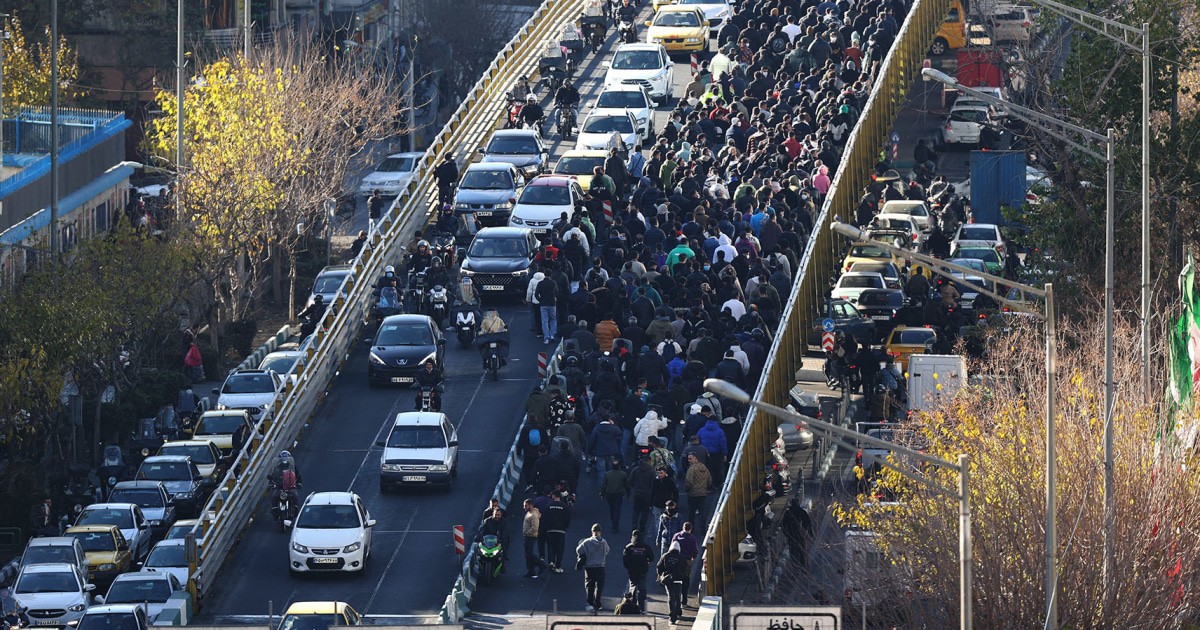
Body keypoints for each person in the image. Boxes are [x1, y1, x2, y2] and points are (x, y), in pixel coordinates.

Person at [576, 524, 611, 612]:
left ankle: (590, 603)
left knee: (589, 586)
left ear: (592, 532)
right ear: (600, 532)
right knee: (599, 586)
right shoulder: (604, 542)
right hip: (600, 567)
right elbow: (607, 551)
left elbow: (578, 550)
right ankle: (597, 602)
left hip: (589, 567)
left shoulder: (587, 542)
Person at [622, 529, 654, 610]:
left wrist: (628, 567)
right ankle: (642, 608)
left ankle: (633, 606)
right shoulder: (646, 547)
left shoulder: (629, 547)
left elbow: (625, 559)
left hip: (632, 571)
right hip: (643, 571)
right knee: (642, 590)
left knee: (633, 587)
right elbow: (652, 557)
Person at [780, 496, 813, 571]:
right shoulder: (802, 511)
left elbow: (783, 525)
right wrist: (809, 533)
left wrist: (786, 534)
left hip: (791, 536)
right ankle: (804, 568)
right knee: (802, 552)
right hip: (801, 536)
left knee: (793, 553)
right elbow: (808, 523)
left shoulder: (788, 513)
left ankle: (795, 568)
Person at [658, 541, 688, 622]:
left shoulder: (665, 556)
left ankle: (672, 616)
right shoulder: (681, 557)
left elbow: (659, 566)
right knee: (678, 595)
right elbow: (685, 568)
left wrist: (661, 575)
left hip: (668, 580)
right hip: (678, 579)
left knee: (671, 597)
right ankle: (678, 611)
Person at [670, 522, 698, 607]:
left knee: (675, 579)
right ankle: (684, 601)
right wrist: (693, 557)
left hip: (676, 560)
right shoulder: (692, 538)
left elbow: (672, 547)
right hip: (686, 561)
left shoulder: (676, 536)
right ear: (690, 529)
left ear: (683, 527)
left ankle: (675, 600)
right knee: (686, 580)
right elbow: (695, 550)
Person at [543, 491, 572, 572]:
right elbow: (568, 518)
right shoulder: (564, 506)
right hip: (561, 530)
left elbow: (545, 517)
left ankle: (551, 562)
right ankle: (558, 566)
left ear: (554, 496)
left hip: (550, 530)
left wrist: (547, 527)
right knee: (560, 549)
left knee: (551, 547)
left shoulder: (549, 505)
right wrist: (564, 527)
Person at [600, 456, 629, 531]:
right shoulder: (623, 474)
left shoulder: (607, 474)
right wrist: (628, 493)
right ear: (619, 466)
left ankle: (613, 522)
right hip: (619, 494)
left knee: (611, 509)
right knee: (617, 509)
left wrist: (602, 493)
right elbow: (627, 485)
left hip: (609, 494)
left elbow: (604, 485)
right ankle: (616, 524)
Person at [522, 499, 549, 578]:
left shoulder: (534, 515)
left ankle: (542, 565)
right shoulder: (530, 512)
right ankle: (531, 571)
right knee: (528, 555)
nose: (524, 507)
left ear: (530, 505)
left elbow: (535, 527)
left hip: (530, 536)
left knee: (529, 554)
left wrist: (527, 533)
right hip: (528, 536)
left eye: (526, 505)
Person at [684, 454, 712, 529]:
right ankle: (703, 529)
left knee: (691, 513)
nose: (688, 460)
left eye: (690, 459)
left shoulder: (691, 469)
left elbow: (689, 482)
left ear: (695, 458)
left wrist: (686, 489)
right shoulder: (704, 467)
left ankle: (690, 529)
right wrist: (705, 488)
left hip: (693, 494)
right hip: (703, 493)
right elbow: (710, 480)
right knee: (702, 512)